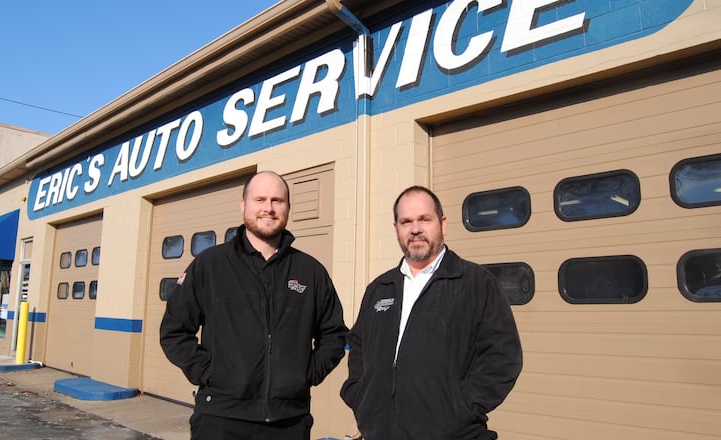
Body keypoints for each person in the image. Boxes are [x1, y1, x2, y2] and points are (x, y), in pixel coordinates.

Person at [160, 171, 348, 440]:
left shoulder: (311, 272)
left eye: (277, 200)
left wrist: (306, 374)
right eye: (260, 199)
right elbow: (174, 331)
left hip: (289, 422)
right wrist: (209, 372)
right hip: (220, 419)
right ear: (243, 205)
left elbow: (334, 334)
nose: (268, 208)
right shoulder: (210, 265)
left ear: (288, 208)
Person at [341, 185, 523, 440]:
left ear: (442, 224)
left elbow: (503, 357)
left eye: (424, 219)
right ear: (396, 229)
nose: (415, 229)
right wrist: (360, 396)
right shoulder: (380, 289)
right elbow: (358, 346)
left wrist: (461, 410)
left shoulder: (476, 283)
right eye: (406, 221)